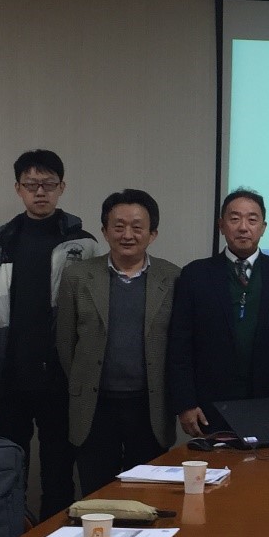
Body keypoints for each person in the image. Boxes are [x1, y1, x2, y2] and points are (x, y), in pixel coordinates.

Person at [0, 149, 101, 520]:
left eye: (48, 184)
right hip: (7, 379)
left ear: (62, 187)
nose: (40, 192)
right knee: (7, 472)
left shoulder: (83, 244)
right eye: (31, 184)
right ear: (18, 189)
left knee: (59, 472)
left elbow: (96, 316)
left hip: (61, 379)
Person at [56, 190, 182, 496]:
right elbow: (65, 341)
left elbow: (179, 345)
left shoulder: (174, 277)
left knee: (149, 496)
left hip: (149, 406)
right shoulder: (77, 277)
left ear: (152, 234)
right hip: (95, 406)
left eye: (137, 227)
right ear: (104, 231)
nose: (127, 235)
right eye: (119, 226)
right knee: (97, 496)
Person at [167, 188, 269, 436]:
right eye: (234, 218)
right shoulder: (195, 275)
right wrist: (185, 403)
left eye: (252, 220)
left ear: (263, 227)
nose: (243, 227)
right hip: (210, 405)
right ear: (221, 225)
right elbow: (180, 345)